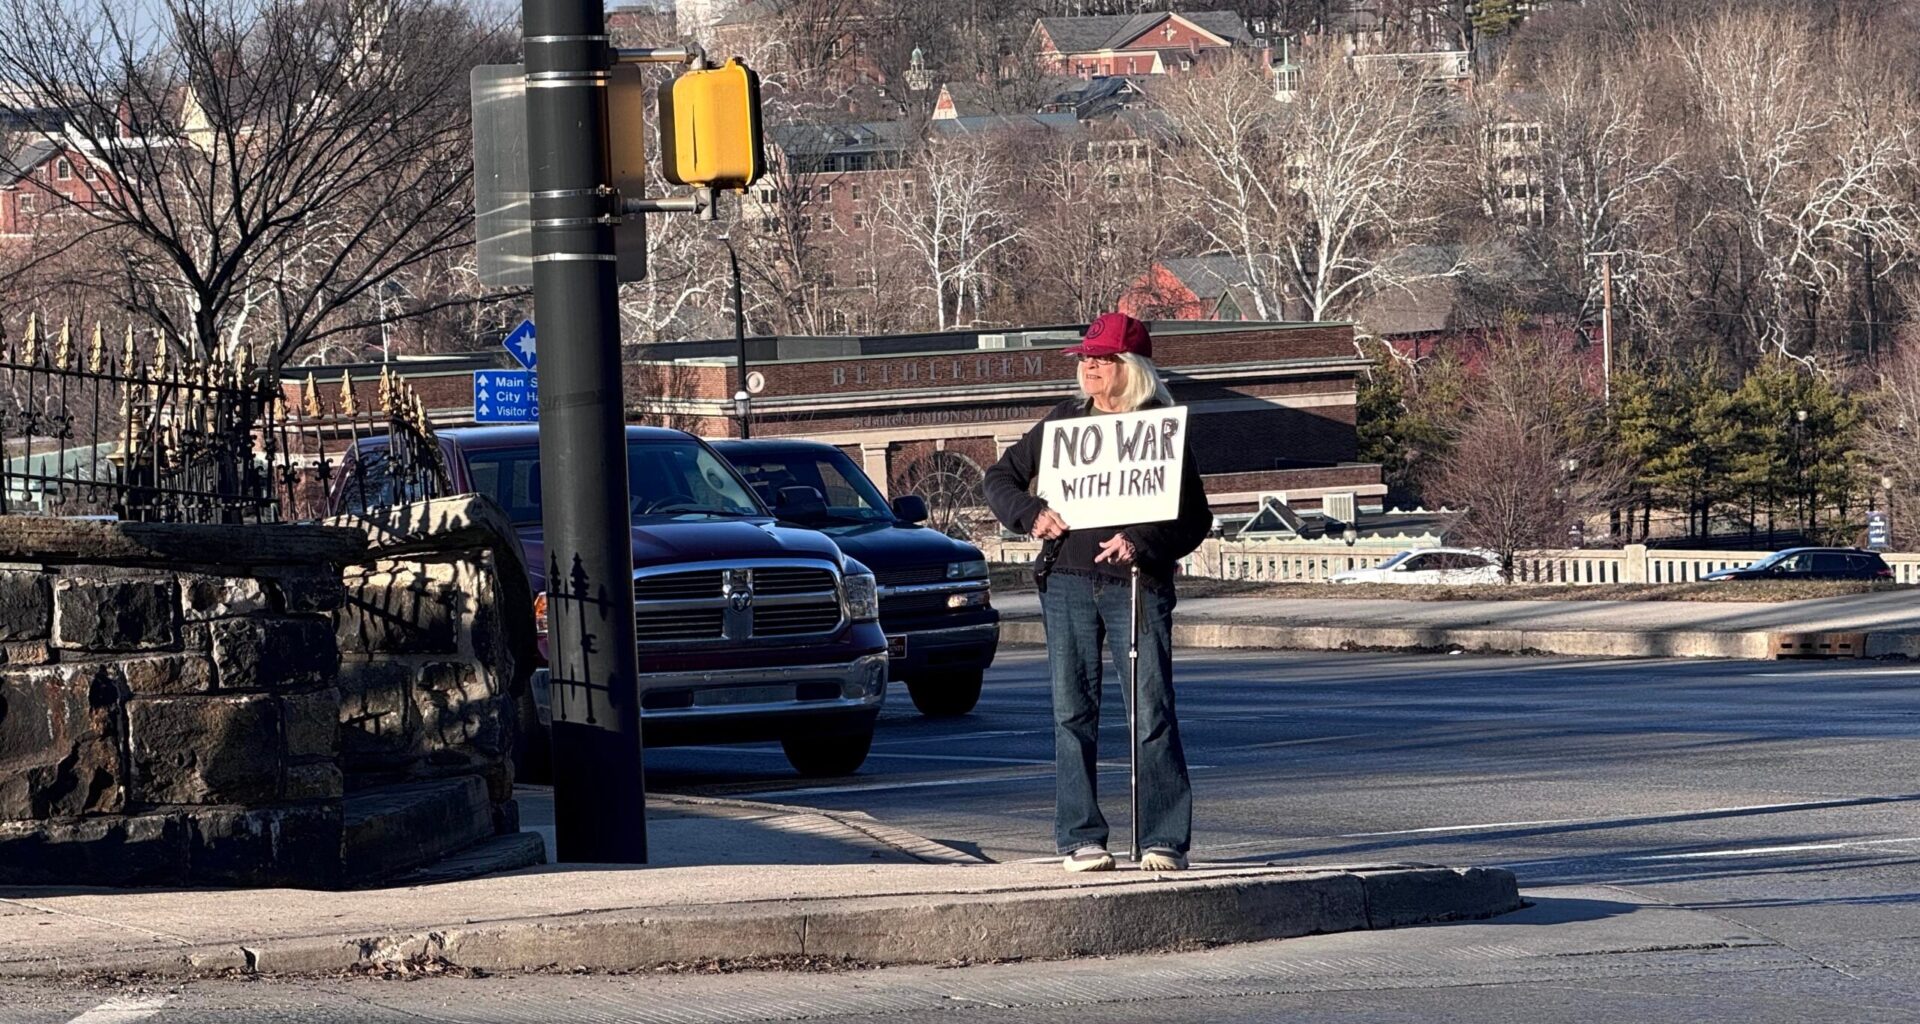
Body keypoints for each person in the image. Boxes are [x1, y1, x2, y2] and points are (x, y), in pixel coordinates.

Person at [984, 312, 1212, 873]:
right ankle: (1081, 838)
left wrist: (1142, 542)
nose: (1089, 366)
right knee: (1072, 713)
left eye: (1101, 359)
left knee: (1151, 710)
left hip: (1138, 585)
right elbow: (999, 479)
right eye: (1085, 358)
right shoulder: (1064, 423)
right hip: (1066, 582)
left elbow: (1195, 519)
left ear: (1129, 368)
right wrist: (1030, 514)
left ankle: (1163, 839)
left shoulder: (1158, 429)